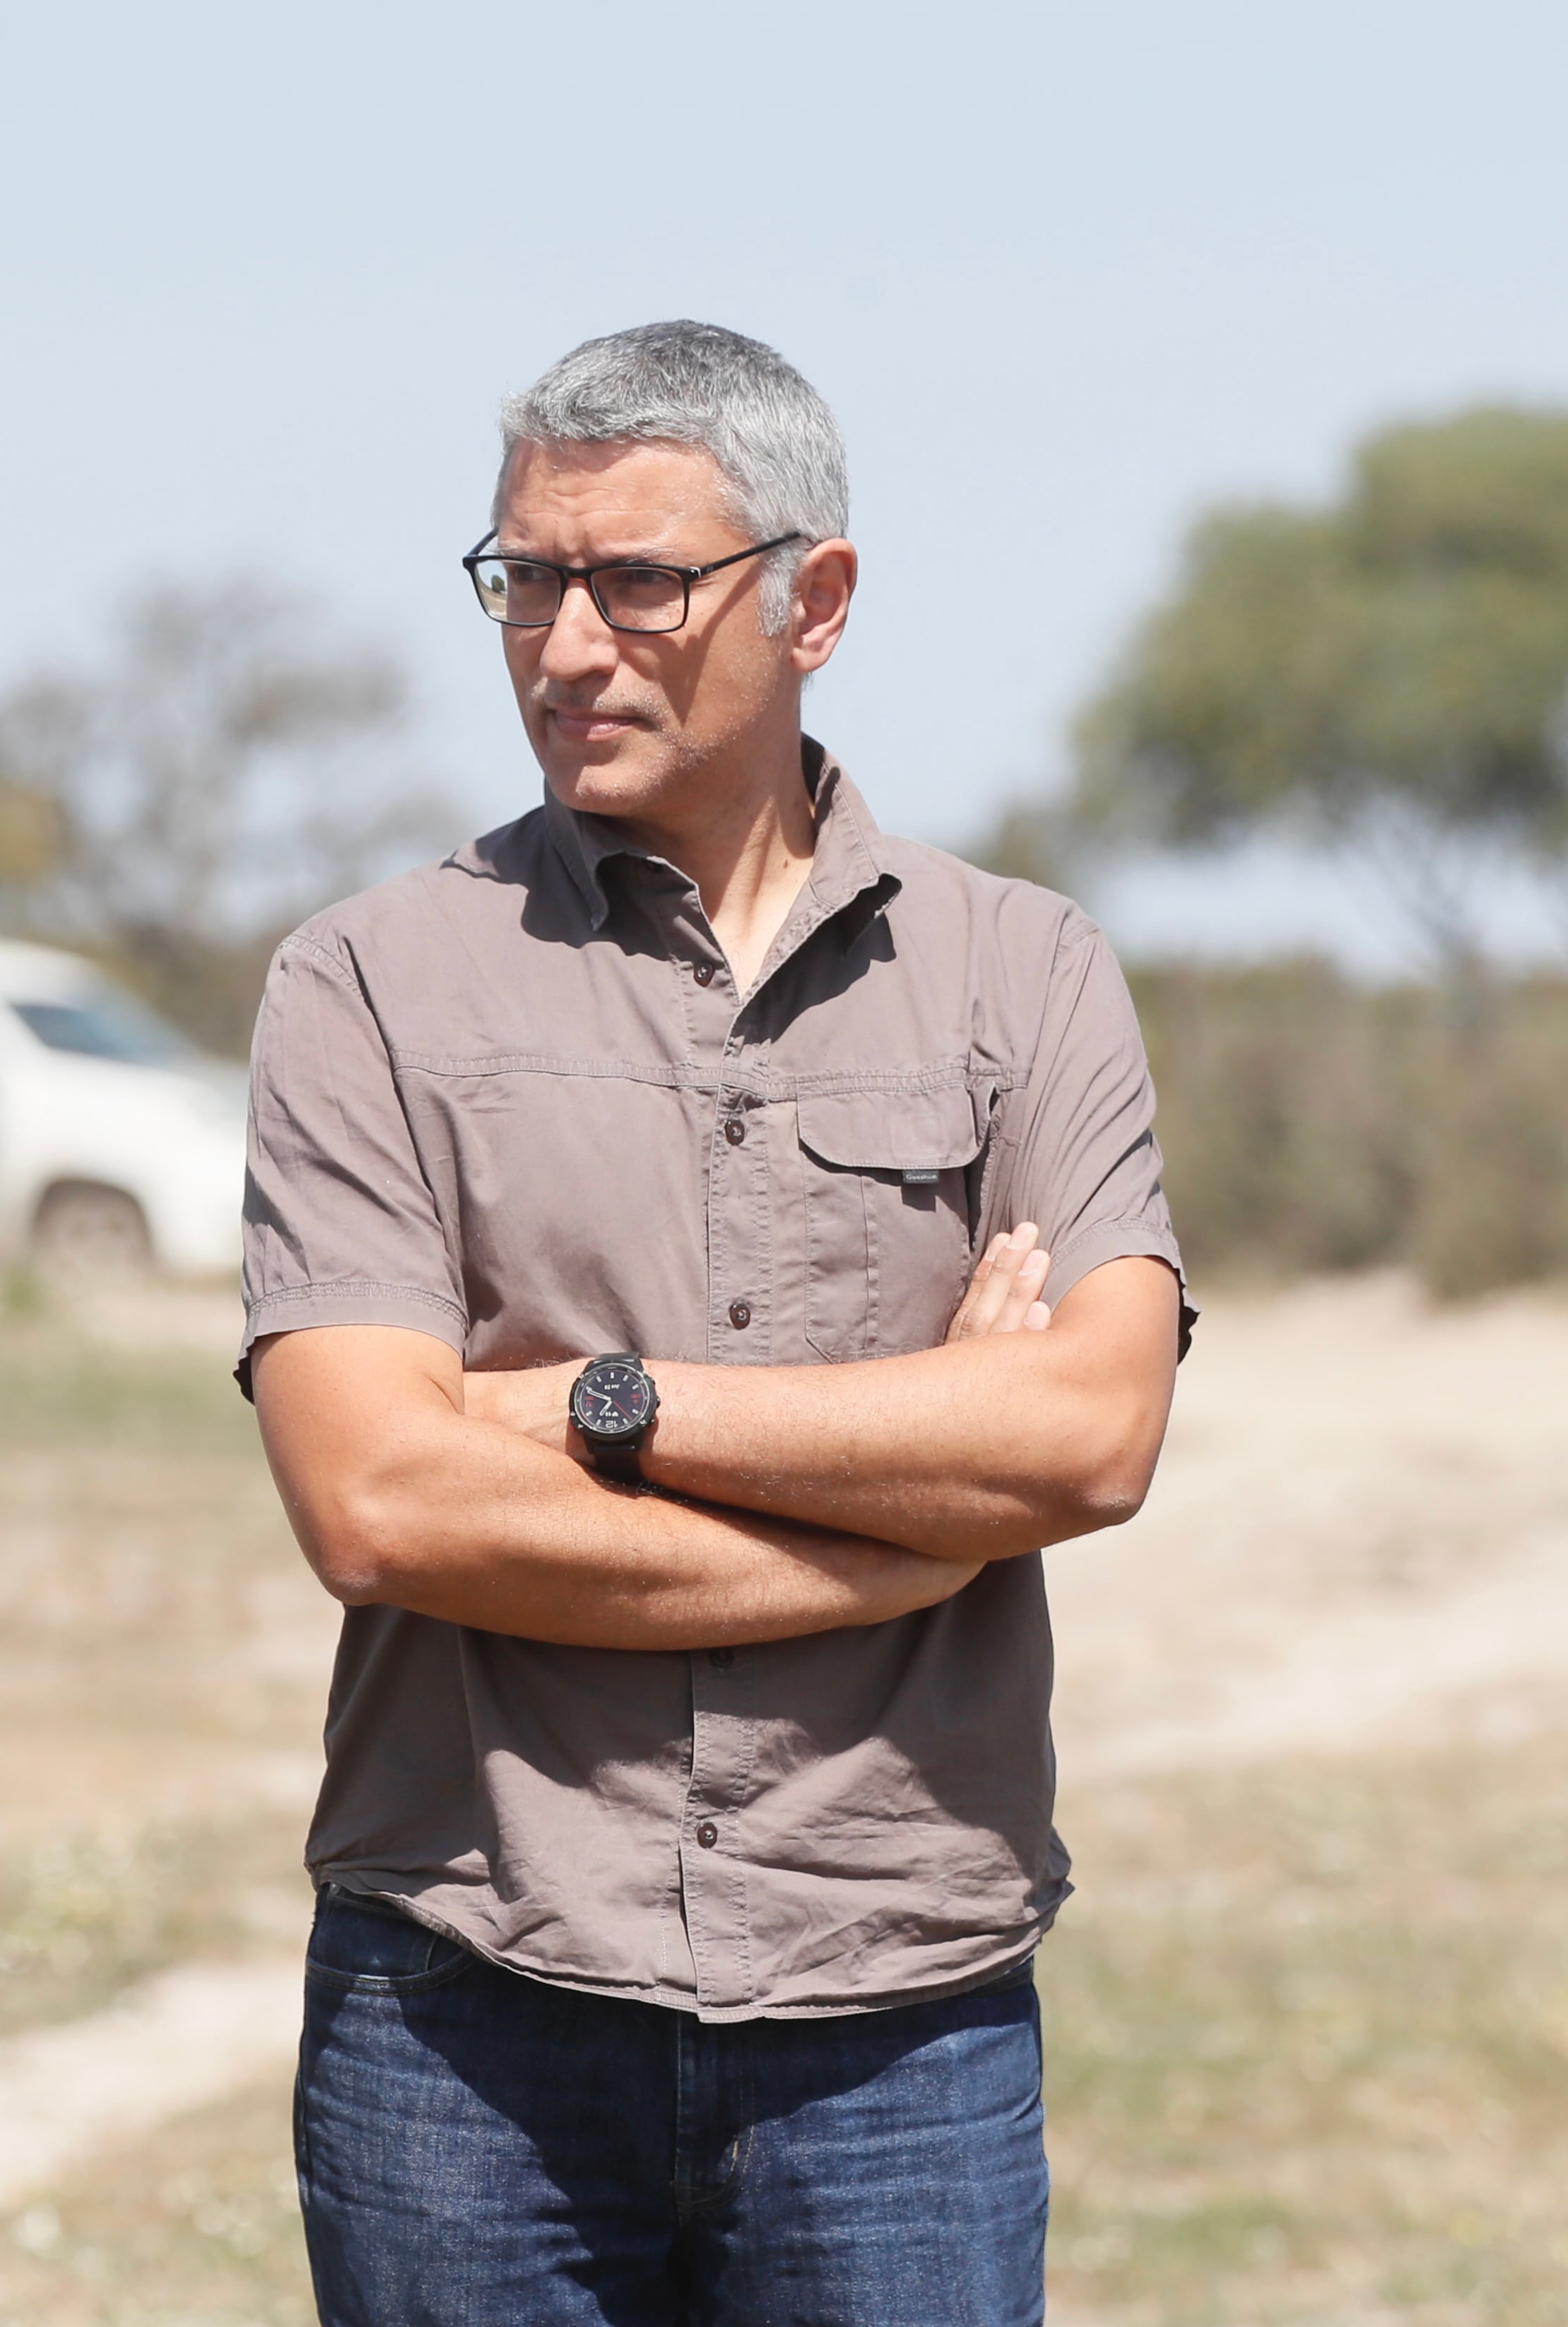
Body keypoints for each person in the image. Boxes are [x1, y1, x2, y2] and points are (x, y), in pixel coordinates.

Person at [242, 320, 1189, 2325]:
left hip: (897, 2015)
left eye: (638, 582)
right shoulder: (368, 984)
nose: (565, 644)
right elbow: (380, 1505)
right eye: (523, 579)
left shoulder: (1020, 973)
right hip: (464, 2001)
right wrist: (917, 1501)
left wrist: (585, 1409)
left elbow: (1091, 1438)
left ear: (811, 597)